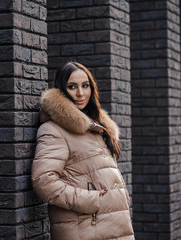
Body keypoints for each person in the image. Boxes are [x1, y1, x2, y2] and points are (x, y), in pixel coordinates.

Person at [32, 62, 134, 240]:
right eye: (72, 87)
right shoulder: (54, 130)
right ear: (62, 91)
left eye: (85, 86)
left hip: (113, 226)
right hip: (84, 229)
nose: (80, 93)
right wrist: (92, 200)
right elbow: (44, 181)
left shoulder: (97, 128)